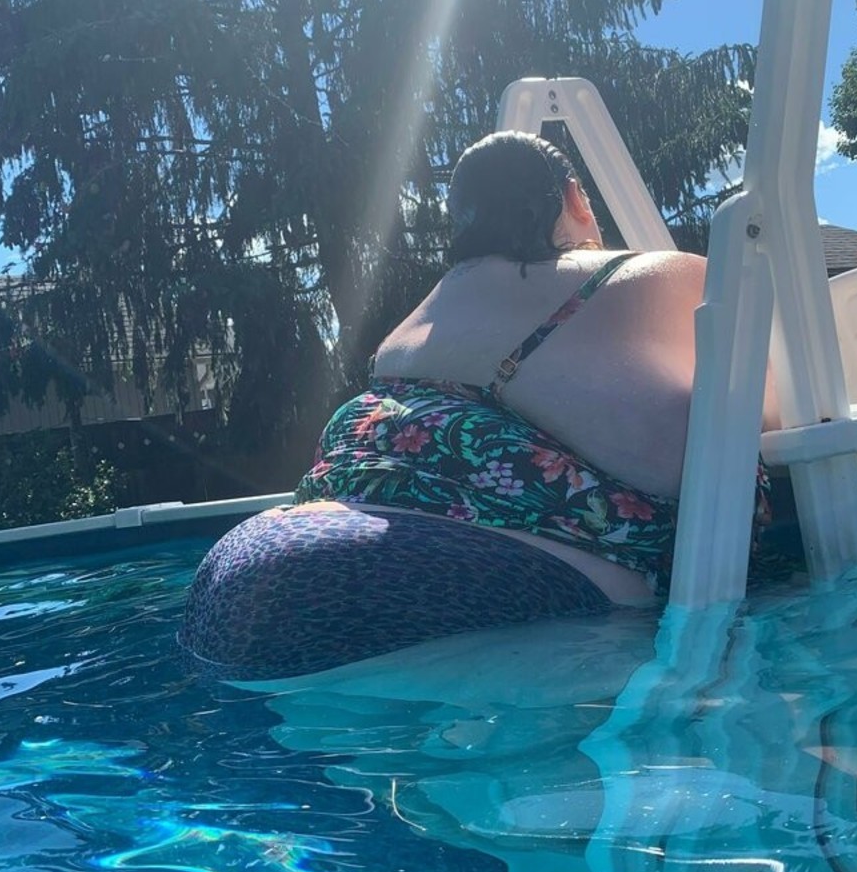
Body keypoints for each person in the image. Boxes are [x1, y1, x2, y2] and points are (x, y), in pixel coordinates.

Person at [181, 131, 775, 677]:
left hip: (238, 577)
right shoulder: (654, 274)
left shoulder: (423, 316)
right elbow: (773, 406)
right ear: (574, 197)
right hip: (446, 589)